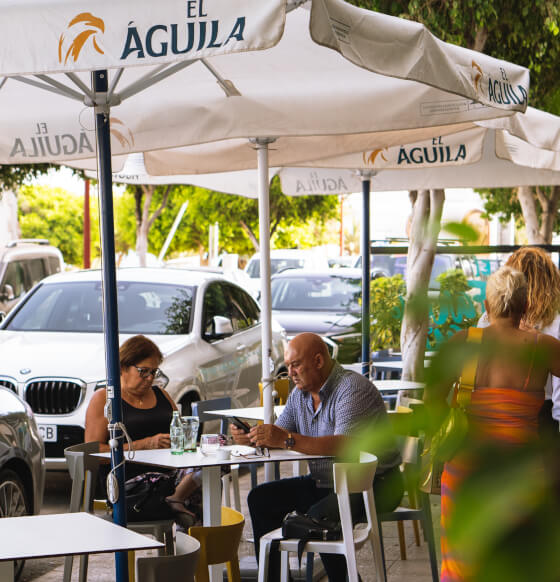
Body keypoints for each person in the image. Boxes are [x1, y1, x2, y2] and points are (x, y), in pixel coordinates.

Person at [231, 332, 403, 582]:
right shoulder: (300, 394)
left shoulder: (352, 388)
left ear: (319, 361)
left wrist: (284, 438)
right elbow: (282, 434)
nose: (290, 373)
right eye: (288, 367)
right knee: (260, 498)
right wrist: (254, 437)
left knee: (316, 518)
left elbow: (342, 445)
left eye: (296, 365)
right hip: (326, 482)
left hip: (375, 484)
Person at [431, 266, 560, 581]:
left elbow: (432, 403)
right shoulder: (543, 347)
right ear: (526, 306)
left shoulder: (463, 343)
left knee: (464, 563)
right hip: (521, 473)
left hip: (466, 469)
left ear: (486, 308)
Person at [85, 335, 200, 528]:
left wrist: (178, 441)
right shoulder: (105, 399)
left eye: (154, 372)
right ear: (123, 367)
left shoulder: (160, 394)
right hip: (130, 483)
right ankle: (187, 541)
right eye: (143, 371)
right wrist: (144, 445)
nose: (150, 378)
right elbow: (92, 453)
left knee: (212, 469)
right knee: (195, 489)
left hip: (170, 475)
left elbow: (180, 430)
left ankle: (192, 544)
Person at [478, 246, 560, 432]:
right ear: (551, 282)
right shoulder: (555, 325)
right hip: (538, 421)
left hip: (485, 416)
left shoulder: (487, 319)